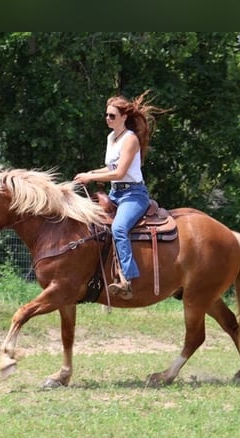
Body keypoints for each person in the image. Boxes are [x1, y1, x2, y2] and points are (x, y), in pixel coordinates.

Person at [74, 91, 164, 300]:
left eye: (112, 116)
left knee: (119, 228)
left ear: (124, 118)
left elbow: (119, 173)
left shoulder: (130, 139)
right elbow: (109, 168)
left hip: (133, 195)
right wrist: (90, 174)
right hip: (115, 193)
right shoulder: (111, 138)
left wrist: (91, 177)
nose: (107, 119)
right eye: (106, 115)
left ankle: (127, 278)